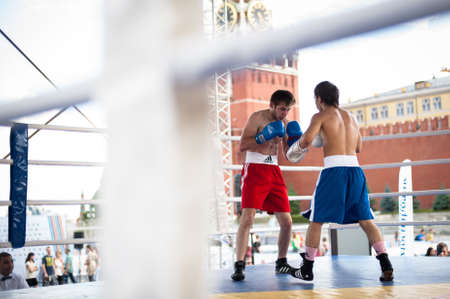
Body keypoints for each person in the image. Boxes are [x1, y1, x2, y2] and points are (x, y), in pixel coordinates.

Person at [288, 81, 394, 282]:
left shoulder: (320, 116)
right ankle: (386, 263)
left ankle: (307, 267)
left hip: (334, 170)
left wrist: (294, 147)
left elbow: (308, 140)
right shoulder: (351, 117)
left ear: (319, 99)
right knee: (365, 219)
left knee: (316, 219)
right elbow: (359, 147)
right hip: (355, 170)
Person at [231, 90, 299, 281]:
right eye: (281, 109)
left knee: (287, 222)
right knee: (248, 217)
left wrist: (297, 145)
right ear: (272, 105)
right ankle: (239, 265)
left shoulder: (285, 124)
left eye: (287, 110)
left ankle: (281, 262)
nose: (284, 113)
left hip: (274, 170)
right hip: (254, 169)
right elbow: (242, 145)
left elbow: (288, 154)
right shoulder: (257, 118)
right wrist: (263, 137)